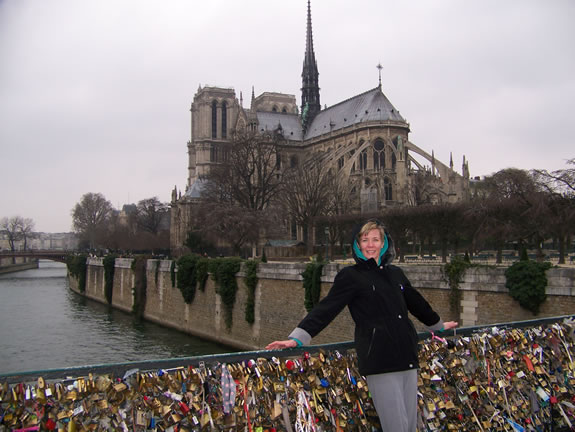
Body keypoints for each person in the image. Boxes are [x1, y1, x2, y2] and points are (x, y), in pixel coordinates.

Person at [266, 219, 458, 431]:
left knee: (410, 424)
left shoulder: (396, 274)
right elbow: (327, 308)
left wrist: (438, 326)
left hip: (407, 355)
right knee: (396, 426)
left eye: (375, 239)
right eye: (365, 240)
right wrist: (298, 337)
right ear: (357, 245)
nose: (370, 245)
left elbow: (417, 304)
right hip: (380, 358)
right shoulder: (351, 276)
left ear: (384, 244)